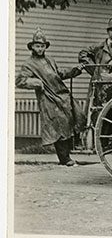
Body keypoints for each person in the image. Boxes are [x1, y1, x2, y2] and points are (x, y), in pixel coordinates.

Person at [16, 28, 86, 166]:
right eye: (37, 46)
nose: (40, 49)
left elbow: (59, 74)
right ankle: (65, 159)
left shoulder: (50, 60)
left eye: (42, 46)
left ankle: (70, 154)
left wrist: (75, 70)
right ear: (32, 47)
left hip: (62, 96)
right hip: (48, 98)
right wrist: (36, 83)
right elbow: (19, 81)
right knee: (59, 125)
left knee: (74, 118)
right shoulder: (28, 64)